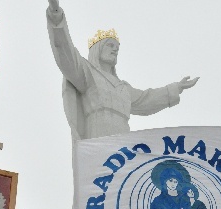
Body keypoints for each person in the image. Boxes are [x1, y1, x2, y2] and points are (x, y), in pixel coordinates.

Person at [46, 0, 199, 141]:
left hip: (123, 141)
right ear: (98, 49)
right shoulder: (88, 73)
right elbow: (65, 53)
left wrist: (176, 88)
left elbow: (146, 99)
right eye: (110, 45)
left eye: (117, 48)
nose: (115, 50)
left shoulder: (122, 87)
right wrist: (55, 15)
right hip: (97, 137)